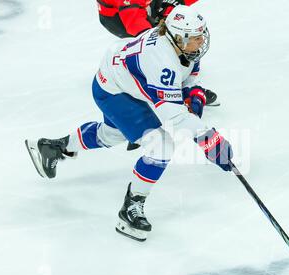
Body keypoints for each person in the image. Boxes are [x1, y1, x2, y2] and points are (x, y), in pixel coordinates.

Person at [25, 5, 233, 242]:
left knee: (113, 134)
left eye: (202, 34)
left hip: (125, 81)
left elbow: (185, 85)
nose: (201, 40)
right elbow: (174, 118)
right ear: (178, 38)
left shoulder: (183, 49)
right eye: (196, 37)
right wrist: (211, 141)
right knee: (161, 145)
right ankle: (131, 208)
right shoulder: (162, 60)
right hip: (114, 90)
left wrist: (194, 100)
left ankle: (54, 147)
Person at [97, 0, 219, 108]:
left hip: (146, 5)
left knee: (180, 29)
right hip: (117, 16)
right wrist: (162, 45)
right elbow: (134, 22)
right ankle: (167, 89)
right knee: (163, 46)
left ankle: (181, 84)